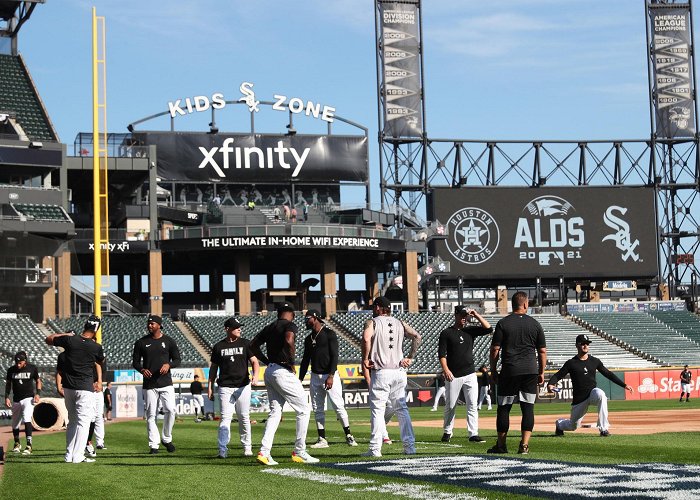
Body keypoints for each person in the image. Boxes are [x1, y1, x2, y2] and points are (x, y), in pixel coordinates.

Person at [249, 302, 319, 465]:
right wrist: (291, 361)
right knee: (303, 409)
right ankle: (300, 451)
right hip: (282, 370)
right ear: (292, 314)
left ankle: (264, 452)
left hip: (270, 370)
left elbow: (252, 345)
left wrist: (266, 360)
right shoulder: (290, 325)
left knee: (275, 412)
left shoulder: (270, 326)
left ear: (278, 313)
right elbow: (289, 339)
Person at [361, 296, 421, 457]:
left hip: (381, 372)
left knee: (377, 410)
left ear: (379, 308)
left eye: (375, 306)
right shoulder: (399, 322)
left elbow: (366, 338)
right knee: (402, 409)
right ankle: (410, 447)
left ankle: (375, 449)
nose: (373, 309)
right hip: (399, 371)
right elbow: (417, 336)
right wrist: (411, 357)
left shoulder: (372, 322)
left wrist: (365, 358)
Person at [488, 292, 546, 455]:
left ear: (512, 305)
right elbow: (542, 351)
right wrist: (541, 372)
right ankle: (524, 445)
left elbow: (495, 350)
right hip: (530, 370)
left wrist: (493, 370)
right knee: (528, 408)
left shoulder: (503, 323)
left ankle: (501, 445)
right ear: (525, 304)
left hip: (510, 370)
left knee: (504, 408)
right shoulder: (535, 324)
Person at [548, 334, 634, 437]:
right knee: (573, 426)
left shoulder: (594, 361)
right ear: (577, 345)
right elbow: (558, 375)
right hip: (579, 399)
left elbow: (608, 373)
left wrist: (624, 385)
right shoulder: (571, 363)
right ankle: (559, 424)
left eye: (587, 344)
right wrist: (550, 384)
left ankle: (603, 429)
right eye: (583, 343)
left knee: (601, 395)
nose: (585, 346)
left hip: (592, 393)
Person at [46, 315, 105, 463]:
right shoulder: (96, 347)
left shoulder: (70, 340)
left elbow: (48, 339)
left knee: (72, 421)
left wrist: (66, 335)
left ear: (85, 325)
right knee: (83, 423)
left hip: (69, 388)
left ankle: (68, 455)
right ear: (96, 330)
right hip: (85, 388)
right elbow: (100, 360)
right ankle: (77, 456)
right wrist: (99, 380)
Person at [299, 309, 358, 449]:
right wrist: (299, 379)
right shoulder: (309, 339)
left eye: (308, 318)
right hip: (315, 376)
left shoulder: (329, 334)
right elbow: (305, 360)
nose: (306, 321)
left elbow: (334, 356)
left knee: (338, 406)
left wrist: (331, 375)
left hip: (329, 375)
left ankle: (349, 435)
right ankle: (322, 439)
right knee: (317, 408)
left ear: (315, 318)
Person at [438, 305, 492, 444]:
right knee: (450, 405)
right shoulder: (447, 333)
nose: (464, 318)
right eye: (461, 315)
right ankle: (447, 431)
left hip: (470, 373)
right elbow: (442, 354)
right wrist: (446, 369)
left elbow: (488, 328)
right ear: (455, 315)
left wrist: (475, 314)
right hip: (453, 374)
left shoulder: (470, 331)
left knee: (472, 404)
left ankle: (473, 433)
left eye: (465, 316)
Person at [209, 317, 260, 458]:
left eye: (239, 327)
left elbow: (255, 362)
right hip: (225, 386)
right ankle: (222, 449)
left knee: (244, 417)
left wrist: (256, 376)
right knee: (225, 418)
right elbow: (213, 368)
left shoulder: (245, 343)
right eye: (236, 327)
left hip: (243, 386)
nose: (239, 329)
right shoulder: (218, 346)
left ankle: (247, 447)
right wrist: (209, 386)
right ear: (227, 329)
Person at [132, 314, 181, 454]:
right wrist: (142, 369)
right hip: (149, 384)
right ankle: (154, 444)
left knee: (171, 410)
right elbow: (135, 362)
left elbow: (177, 360)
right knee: (151, 415)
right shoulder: (141, 342)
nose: (149, 325)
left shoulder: (169, 341)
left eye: (152, 323)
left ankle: (166, 438)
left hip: (166, 382)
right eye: (148, 323)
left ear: (159, 325)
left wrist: (169, 365)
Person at [4, 351, 41, 455]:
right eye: (16, 362)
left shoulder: (32, 368)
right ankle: (17, 443)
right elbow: (8, 384)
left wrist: (38, 394)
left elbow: (38, 381)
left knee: (27, 418)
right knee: (15, 423)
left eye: (20, 363)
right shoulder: (11, 370)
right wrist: (6, 397)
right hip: (16, 399)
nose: (18, 364)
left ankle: (29, 445)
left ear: (25, 361)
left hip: (28, 398)